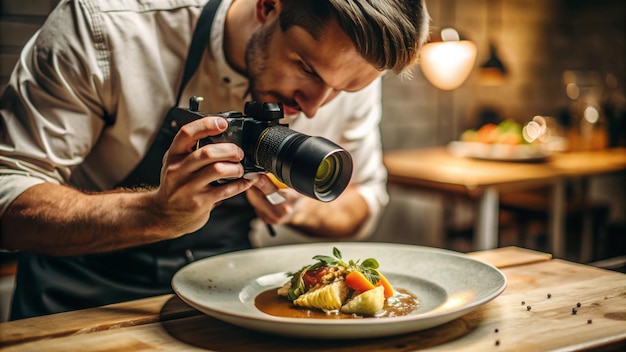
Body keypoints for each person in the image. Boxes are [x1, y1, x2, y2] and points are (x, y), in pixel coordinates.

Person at [0, 0, 429, 320]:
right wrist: (153, 212)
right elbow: (8, 196)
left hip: (226, 305)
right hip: (76, 304)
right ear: (268, 6)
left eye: (344, 90)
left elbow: (365, 203)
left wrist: (302, 208)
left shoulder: (349, 66)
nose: (316, 107)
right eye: (309, 71)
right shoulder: (109, 29)